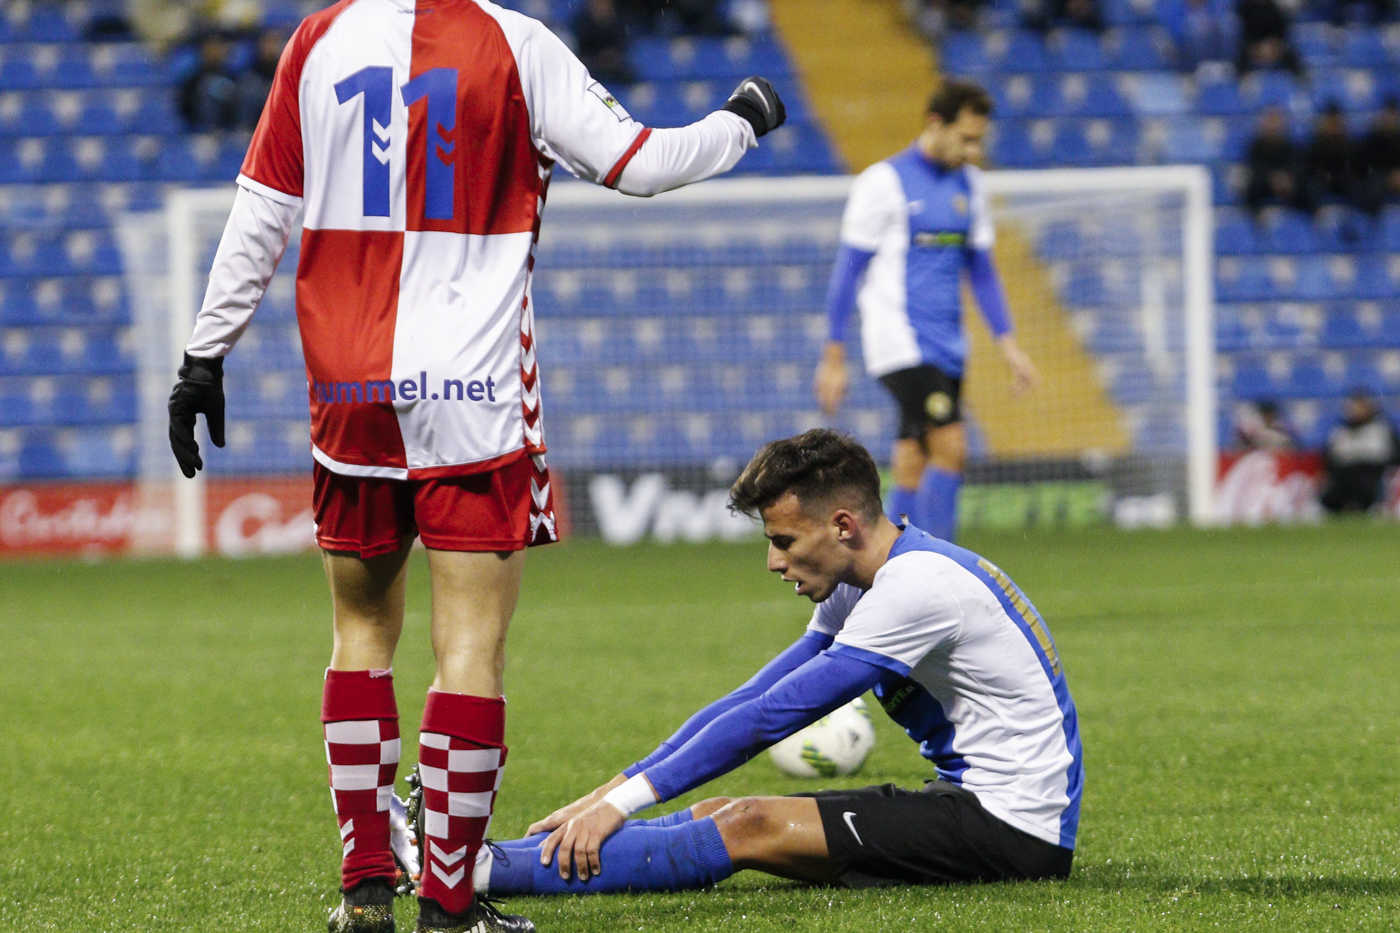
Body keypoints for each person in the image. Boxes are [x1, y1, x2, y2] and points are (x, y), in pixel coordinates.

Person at [164, 0, 787, 929]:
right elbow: (641, 165)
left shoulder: (318, 38)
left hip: (351, 393)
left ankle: (365, 886)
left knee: (359, 633)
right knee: (469, 649)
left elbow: (263, 205)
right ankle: (449, 906)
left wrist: (204, 354)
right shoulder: (517, 43)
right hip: (472, 397)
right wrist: (743, 116)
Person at [466, 429, 1082, 897]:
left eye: (783, 540)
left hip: (1011, 829)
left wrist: (620, 806)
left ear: (842, 526)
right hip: (966, 801)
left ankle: (479, 872)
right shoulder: (862, 580)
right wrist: (613, 791)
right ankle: (489, 859)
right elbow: (750, 698)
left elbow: (775, 717)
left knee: (748, 824)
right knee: (715, 813)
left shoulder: (916, 587)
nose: (773, 561)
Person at [812, 80, 1038, 544]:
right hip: (900, 342)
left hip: (948, 344)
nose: (974, 151)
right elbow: (847, 272)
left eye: (980, 141)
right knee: (952, 447)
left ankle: (879, 565)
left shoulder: (969, 186)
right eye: (967, 139)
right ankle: (944, 566)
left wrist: (1009, 345)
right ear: (937, 125)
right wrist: (833, 355)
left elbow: (983, 272)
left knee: (913, 459)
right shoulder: (883, 183)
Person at [1319, 389, 1400, 513]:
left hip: (1373, 476)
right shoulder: (1340, 431)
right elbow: (1329, 460)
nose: (1356, 410)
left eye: (1360, 406)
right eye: (1353, 406)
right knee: (1333, 491)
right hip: (1343, 476)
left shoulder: (1382, 429)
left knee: (1365, 483)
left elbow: (1394, 458)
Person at [1300, 101, 1363, 215]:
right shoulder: (1315, 143)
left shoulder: (1350, 143)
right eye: (1330, 121)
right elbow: (1308, 167)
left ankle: (1356, 218)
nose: (1333, 125)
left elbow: (1357, 167)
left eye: (1336, 121)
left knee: (1357, 188)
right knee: (1311, 188)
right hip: (1321, 179)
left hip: (1345, 178)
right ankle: (1315, 217)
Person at [1243, 107, 1303, 217]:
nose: (1273, 125)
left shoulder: (1290, 145)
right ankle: (1254, 222)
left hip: (1286, 183)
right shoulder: (1257, 145)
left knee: (1302, 187)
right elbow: (1255, 167)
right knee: (1252, 187)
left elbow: (1295, 165)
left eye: (1276, 121)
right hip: (1264, 183)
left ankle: (1297, 220)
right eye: (1270, 121)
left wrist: (1285, 178)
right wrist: (1272, 178)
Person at [1231, 398, 1297, 450]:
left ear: (1274, 415)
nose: (1267, 417)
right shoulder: (1251, 429)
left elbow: (1291, 447)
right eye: (1265, 414)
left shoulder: (1281, 429)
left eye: (1270, 414)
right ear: (1261, 414)